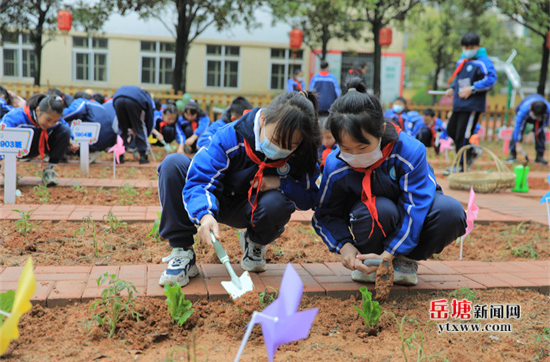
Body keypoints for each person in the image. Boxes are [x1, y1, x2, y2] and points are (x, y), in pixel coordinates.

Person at [312, 77, 466, 286]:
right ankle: (368, 259)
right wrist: (344, 245)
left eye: (363, 148)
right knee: (380, 208)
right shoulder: (335, 163)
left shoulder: (409, 151)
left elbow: (417, 206)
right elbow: (326, 213)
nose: (355, 156)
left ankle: (405, 261)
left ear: (382, 130)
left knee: (451, 212)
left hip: (410, 223)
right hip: (371, 220)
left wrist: (392, 253)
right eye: (346, 148)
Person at [157, 91, 321, 287]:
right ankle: (182, 251)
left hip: (250, 207)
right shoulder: (231, 136)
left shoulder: (301, 154)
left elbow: (311, 196)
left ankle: (255, 242)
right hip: (215, 198)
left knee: (278, 203)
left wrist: (281, 183)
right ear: (262, 119)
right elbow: (201, 179)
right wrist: (204, 214)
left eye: (290, 145)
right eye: (276, 139)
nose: (280, 149)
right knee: (173, 164)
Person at [444, 32, 496, 171]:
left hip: (471, 106)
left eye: (471, 46)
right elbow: (458, 80)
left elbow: (491, 80)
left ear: (478, 46)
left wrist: (472, 89)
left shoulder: (483, 62)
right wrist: (452, 88)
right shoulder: (462, 61)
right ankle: (471, 152)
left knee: (463, 134)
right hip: (458, 104)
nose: (468, 49)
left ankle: (461, 164)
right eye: (465, 46)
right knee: (451, 131)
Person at [0, 94, 71, 186]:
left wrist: (71, 140)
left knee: (65, 130)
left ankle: (50, 170)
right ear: (38, 110)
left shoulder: (54, 119)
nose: (50, 124)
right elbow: (2, 134)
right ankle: (9, 173)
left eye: (54, 121)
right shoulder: (16, 116)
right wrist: (3, 158)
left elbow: (65, 125)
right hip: (16, 149)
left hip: (37, 147)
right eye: (48, 119)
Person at [63, 91, 117, 162]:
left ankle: (61, 153)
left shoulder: (82, 101)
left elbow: (72, 112)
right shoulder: (100, 105)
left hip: (90, 140)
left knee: (66, 123)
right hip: (106, 142)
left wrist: (58, 116)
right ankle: (91, 153)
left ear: (75, 100)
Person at [112, 85, 156, 164]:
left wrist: (129, 124)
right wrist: (145, 132)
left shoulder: (137, 92)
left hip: (117, 98)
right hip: (134, 102)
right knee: (139, 127)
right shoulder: (147, 99)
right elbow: (149, 120)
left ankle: (119, 156)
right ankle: (143, 156)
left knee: (122, 128)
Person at [507, 94, 550, 164]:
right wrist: (517, 143)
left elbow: (544, 124)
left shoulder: (547, 110)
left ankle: (540, 155)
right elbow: (518, 127)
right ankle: (513, 153)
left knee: (541, 133)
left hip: (539, 117)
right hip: (524, 112)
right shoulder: (523, 110)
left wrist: (533, 133)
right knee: (517, 131)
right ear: (530, 109)